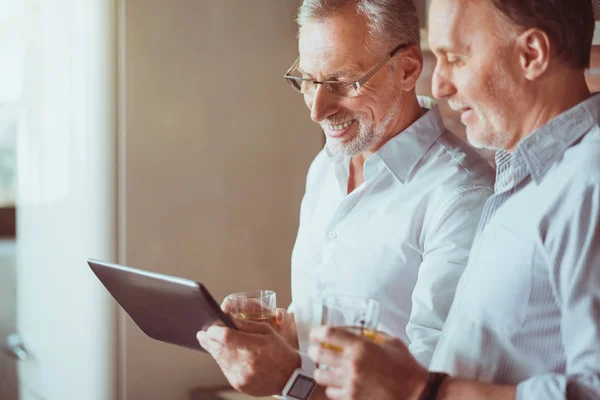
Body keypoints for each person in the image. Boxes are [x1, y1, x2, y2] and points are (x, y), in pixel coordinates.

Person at [197, 0, 494, 397]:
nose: (318, 110)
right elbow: (326, 318)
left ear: (407, 68)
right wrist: (280, 332)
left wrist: (290, 381)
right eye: (307, 80)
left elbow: (429, 386)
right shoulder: (326, 167)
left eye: (342, 82)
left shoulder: (462, 197)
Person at [308, 0, 600, 399]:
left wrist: (418, 388)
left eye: (455, 58)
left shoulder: (589, 182)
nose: (439, 86)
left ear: (531, 54)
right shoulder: (523, 180)